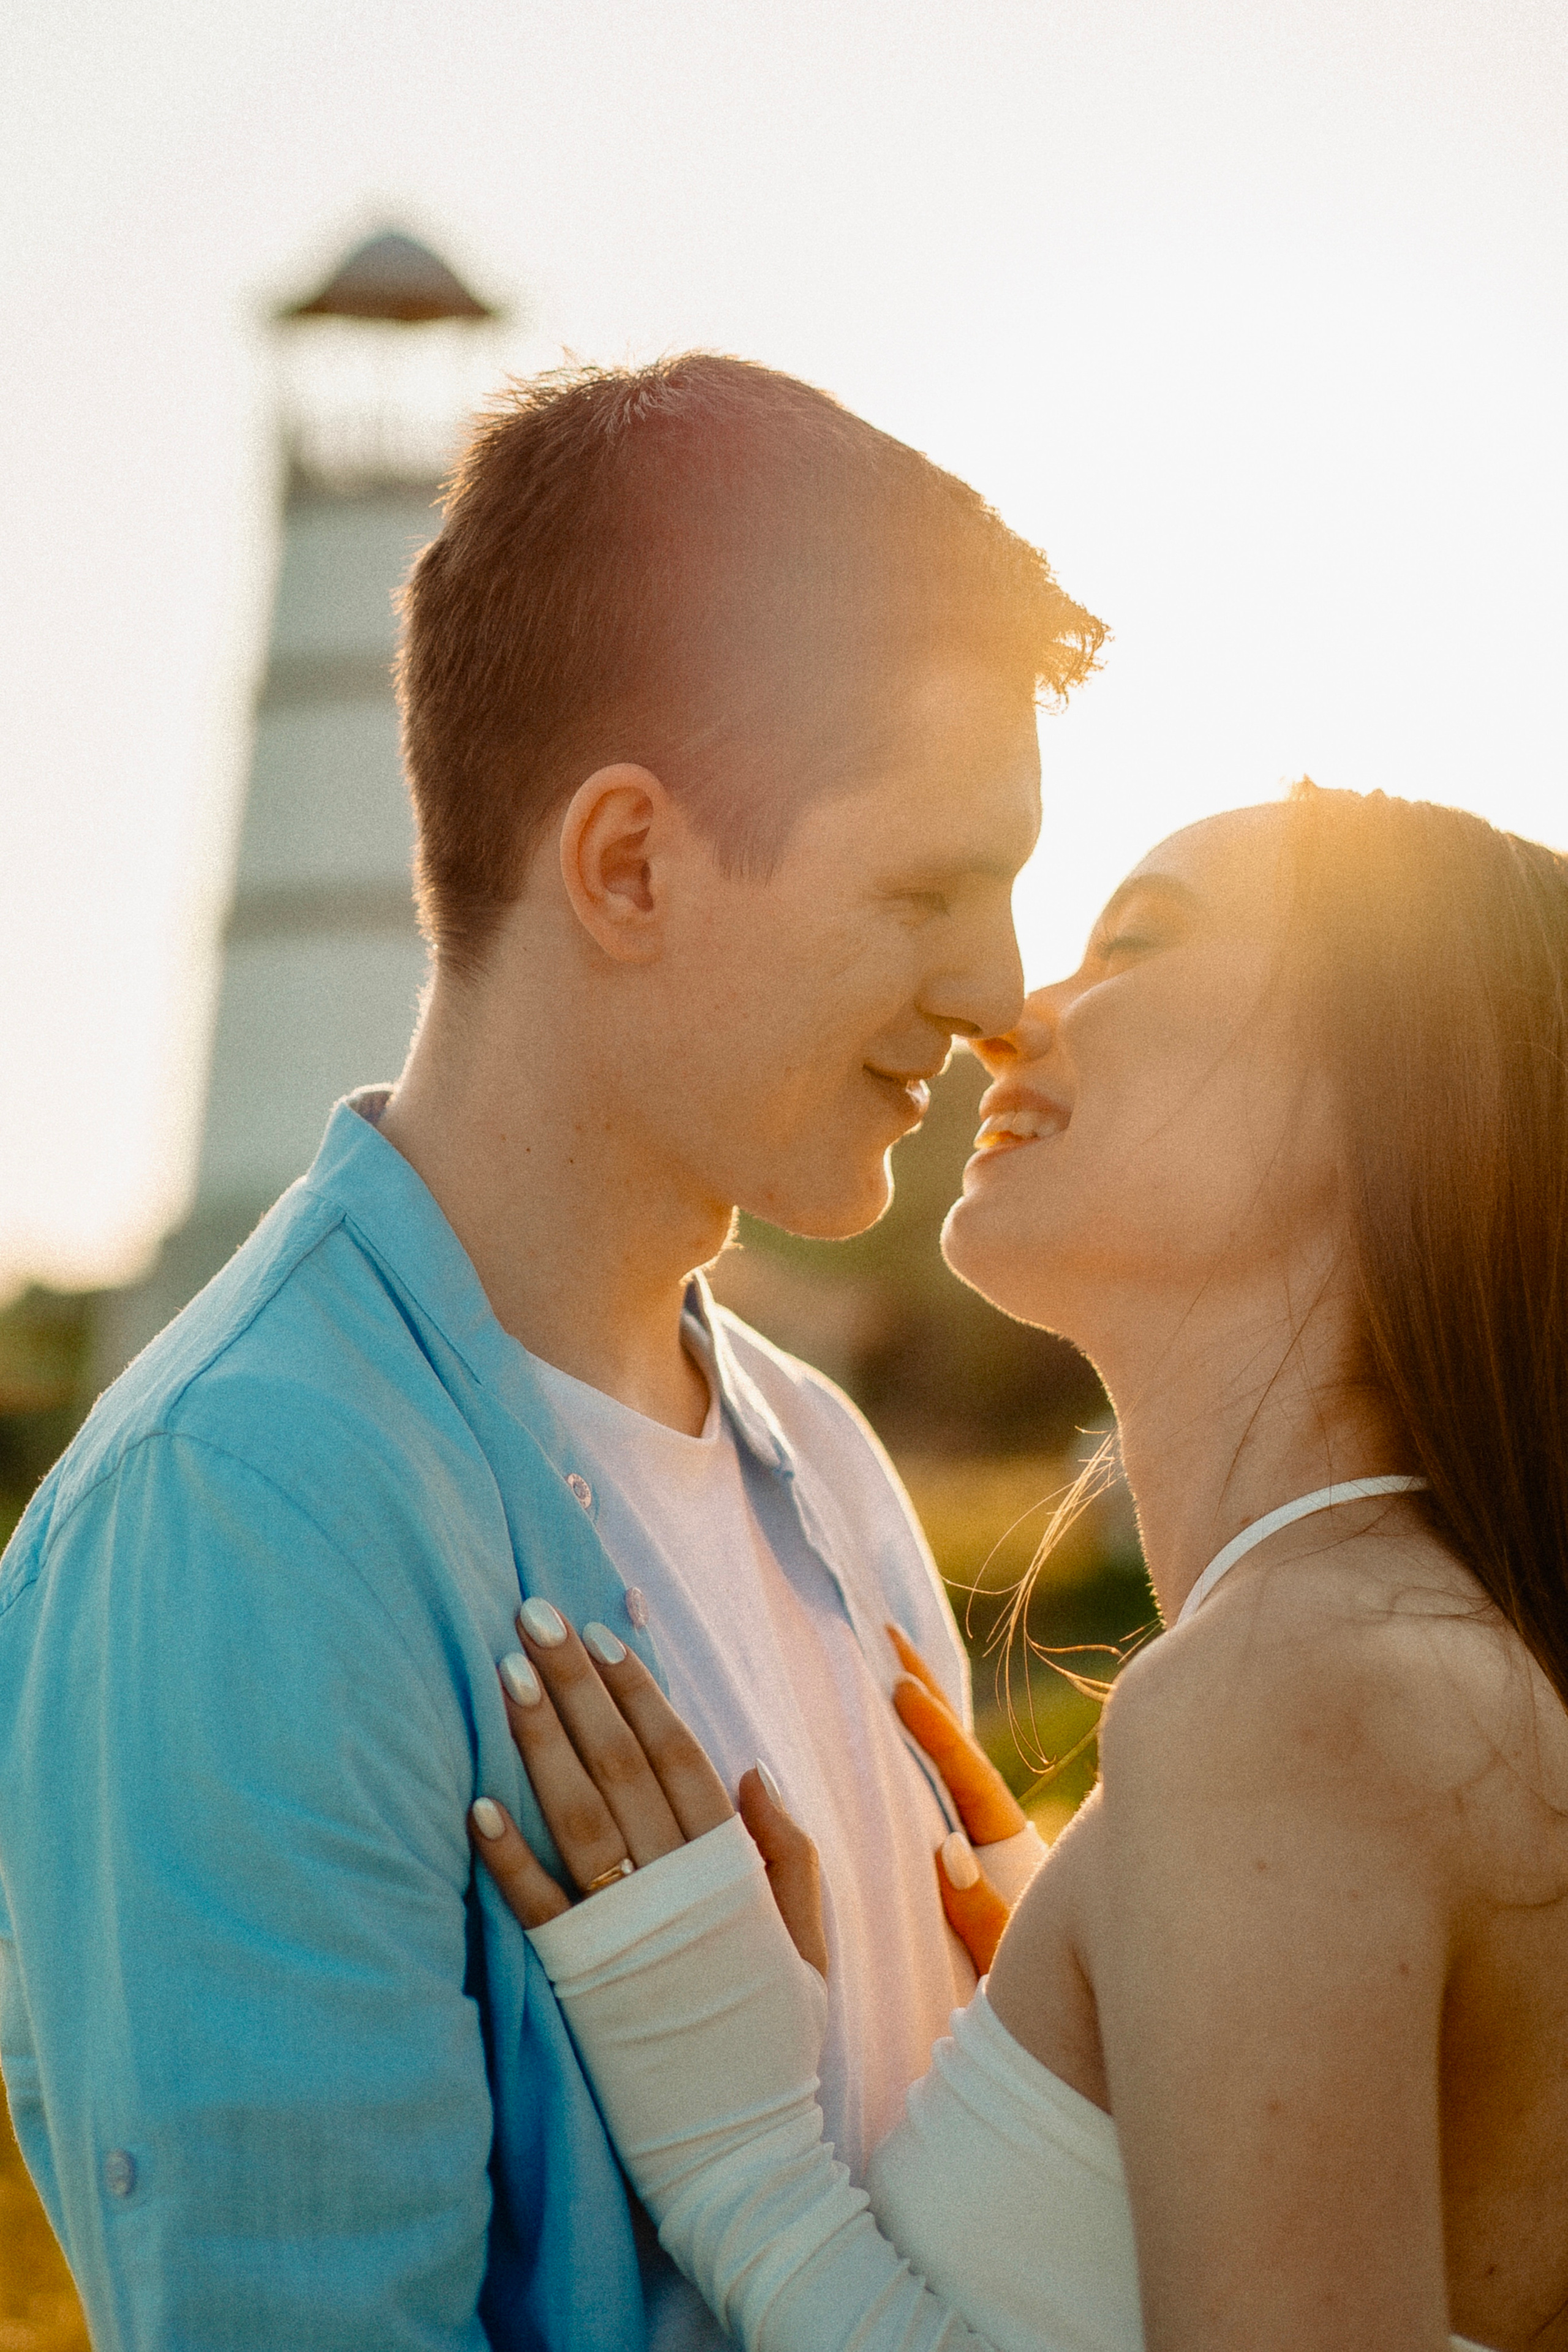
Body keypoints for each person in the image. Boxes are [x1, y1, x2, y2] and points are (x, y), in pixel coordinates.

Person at [0, 358, 1102, 2350]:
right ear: (626, 866)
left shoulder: (830, 1471)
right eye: (931, 886)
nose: (1001, 993)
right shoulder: (246, 1526)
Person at [471, 783, 1568, 2352]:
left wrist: (738, 2158)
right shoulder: (1418, 1678)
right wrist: (1112, 1995)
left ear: (1394, 1089)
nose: (1008, 1013)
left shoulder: (1286, 1701)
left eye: (1136, 942)